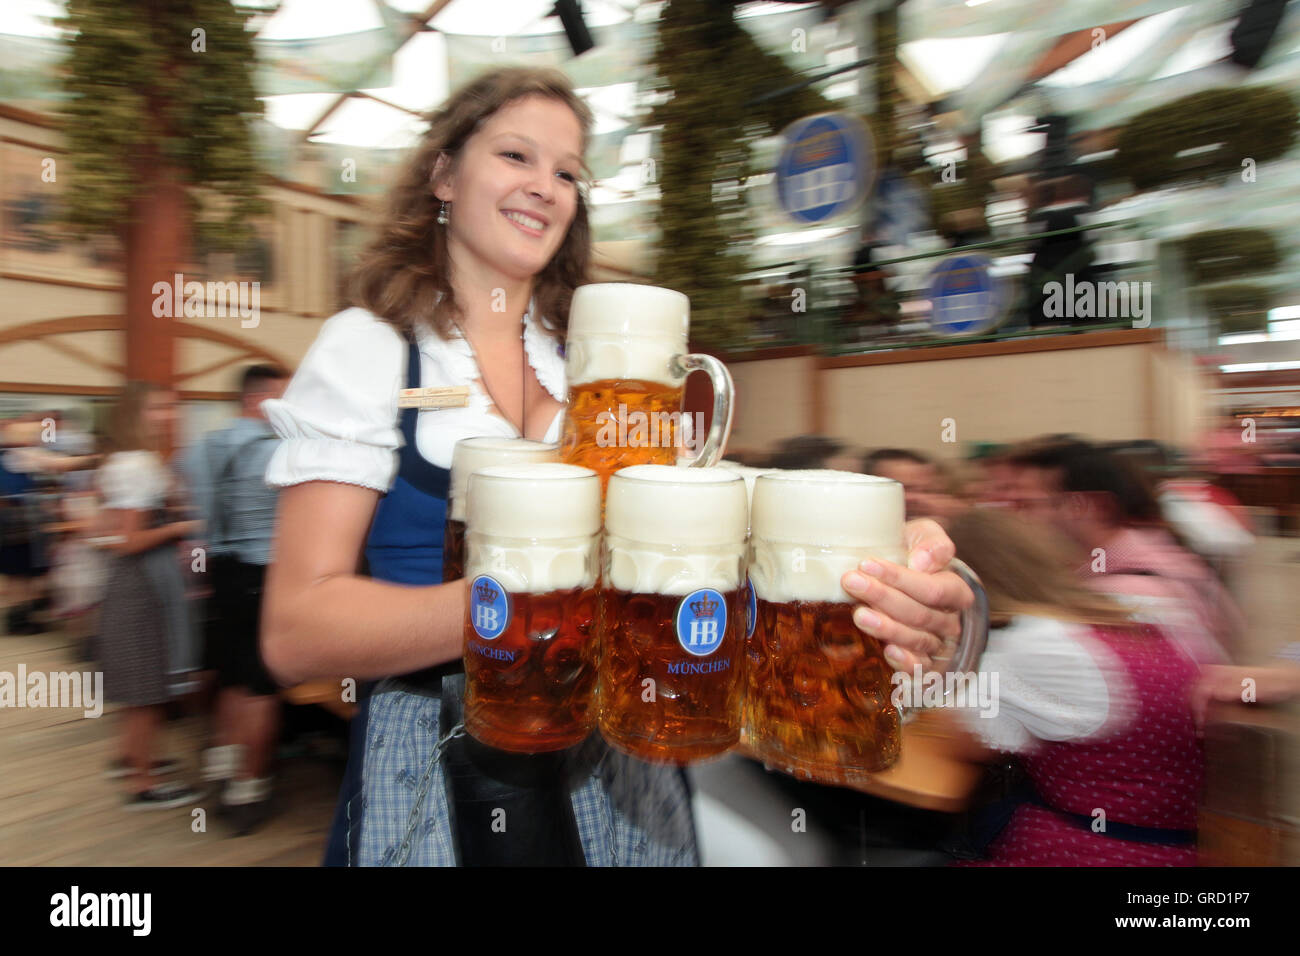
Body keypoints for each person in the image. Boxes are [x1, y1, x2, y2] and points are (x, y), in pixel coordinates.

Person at [260, 67, 974, 867]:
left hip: (619, 761)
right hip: (442, 757)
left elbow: (707, 540)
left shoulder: (600, 368)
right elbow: (295, 633)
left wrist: (896, 566)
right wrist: (533, 602)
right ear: (443, 174)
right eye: (516, 156)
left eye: (567, 171)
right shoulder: (371, 346)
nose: (545, 187)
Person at [944, 509, 1204, 865]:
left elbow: (967, 746)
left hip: (1088, 848)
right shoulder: (1134, 609)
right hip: (1177, 843)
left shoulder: (1027, 644)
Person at [1005, 438, 1238, 665]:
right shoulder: (1146, 550)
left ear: (1087, 506)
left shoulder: (1130, 596)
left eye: (1029, 506)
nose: (1019, 519)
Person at [181, 364, 289, 833]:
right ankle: (248, 791)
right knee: (261, 686)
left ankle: (222, 767)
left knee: (230, 676)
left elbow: (195, 517)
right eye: (283, 398)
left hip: (220, 571)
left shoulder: (204, 446)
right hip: (263, 573)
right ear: (260, 399)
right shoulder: (278, 450)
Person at [95, 383, 203, 809]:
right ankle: (141, 784)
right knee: (147, 690)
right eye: (159, 407)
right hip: (141, 584)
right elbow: (128, 539)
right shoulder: (138, 464)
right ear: (135, 414)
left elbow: (111, 533)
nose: (168, 415)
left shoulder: (122, 461)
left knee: (139, 686)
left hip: (129, 582)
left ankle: (132, 758)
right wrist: (181, 527)